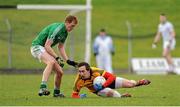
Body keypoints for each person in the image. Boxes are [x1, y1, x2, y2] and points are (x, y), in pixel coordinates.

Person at [30, 15, 78, 97]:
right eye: (72, 26)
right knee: (51, 62)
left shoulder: (65, 33)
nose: (72, 28)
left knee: (60, 72)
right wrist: (57, 57)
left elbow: (61, 47)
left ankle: (56, 93)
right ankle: (42, 87)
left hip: (44, 49)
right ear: (67, 22)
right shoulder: (57, 29)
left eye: (74, 27)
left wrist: (68, 61)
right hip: (36, 47)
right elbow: (47, 46)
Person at [71, 62, 151, 98]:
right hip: (98, 90)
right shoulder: (78, 81)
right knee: (114, 94)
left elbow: (112, 77)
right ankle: (122, 97)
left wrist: (103, 85)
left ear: (88, 70)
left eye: (83, 71)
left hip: (107, 81)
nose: (80, 73)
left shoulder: (95, 70)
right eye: (79, 71)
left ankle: (139, 82)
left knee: (131, 84)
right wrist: (80, 97)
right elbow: (74, 95)